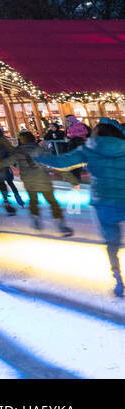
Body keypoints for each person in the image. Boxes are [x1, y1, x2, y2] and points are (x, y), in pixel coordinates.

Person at [34, 118, 125, 297]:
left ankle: (119, 281)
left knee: (112, 244)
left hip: (104, 202)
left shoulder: (89, 148)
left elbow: (62, 162)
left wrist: (38, 156)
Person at [0, 131, 73, 236]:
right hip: (43, 180)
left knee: (33, 200)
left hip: (29, 181)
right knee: (52, 202)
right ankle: (60, 223)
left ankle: (36, 219)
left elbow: (6, 162)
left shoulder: (19, 152)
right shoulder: (40, 149)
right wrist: (69, 176)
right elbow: (53, 162)